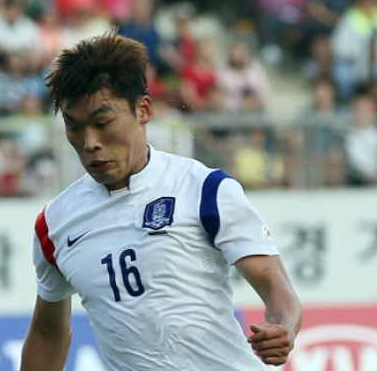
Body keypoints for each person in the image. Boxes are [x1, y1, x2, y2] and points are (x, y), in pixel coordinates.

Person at [20, 32, 302, 370]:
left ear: (144, 109)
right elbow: (49, 333)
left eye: (103, 122)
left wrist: (283, 328)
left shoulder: (204, 189)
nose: (89, 141)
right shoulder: (54, 224)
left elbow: (276, 285)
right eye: (74, 126)